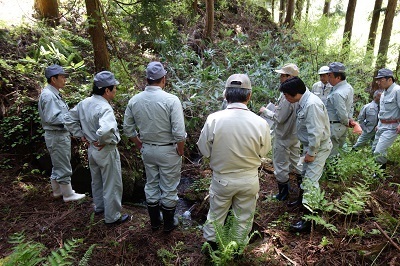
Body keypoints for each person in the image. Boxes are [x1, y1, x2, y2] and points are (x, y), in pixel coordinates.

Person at [197, 74, 271, 250]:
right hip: (249, 179)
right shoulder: (260, 122)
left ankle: (212, 251)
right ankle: (236, 250)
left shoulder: (213, 119)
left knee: (216, 215)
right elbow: (264, 151)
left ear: (225, 95)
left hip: (222, 178)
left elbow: (204, 149)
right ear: (249, 96)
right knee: (244, 217)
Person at [123, 61, 186, 233]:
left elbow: (128, 129)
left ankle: (155, 223)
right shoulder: (171, 100)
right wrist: (180, 149)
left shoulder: (134, 100)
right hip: (168, 150)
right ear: (163, 79)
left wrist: (138, 144)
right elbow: (179, 133)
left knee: (151, 184)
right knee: (169, 187)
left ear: (146, 79)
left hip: (148, 149)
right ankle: (168, 225)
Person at [63, 71, 130, 226]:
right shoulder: (105, 108)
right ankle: (112, 217)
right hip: (105, 149)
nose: (115, 90)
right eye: (114, 88)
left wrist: (81, 135)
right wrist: (101, 140)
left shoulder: (84, 103)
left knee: (97, 180)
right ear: (107, 90)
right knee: (111, 183)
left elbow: (67, 118)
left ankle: (99, 207)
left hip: (92, 149)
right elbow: (106, 130)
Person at [279, 77, 332, 233]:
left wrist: (312, 153)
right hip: (310, 146)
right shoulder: (303, 101)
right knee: (303, 174)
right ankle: (303, 202)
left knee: (310, 181)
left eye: (286, 95)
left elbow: (316, 131)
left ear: (293, 94)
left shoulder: (312, 104)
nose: (285, 98)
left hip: (318, 148)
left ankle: (309, 219)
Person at [38, 64, 85, 202]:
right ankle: (68, 194)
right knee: (63, 164)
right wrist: (72, 116)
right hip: (57, 135)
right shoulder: (49, 96)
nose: (65, 79)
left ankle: (58, 191)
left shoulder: (52, 94)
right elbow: (53, 118)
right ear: (53, 79)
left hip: (56, 135)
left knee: (58, 163)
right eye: (62, 77)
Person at [259, 63, 302, 202]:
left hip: (284, 135)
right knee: (296, 162)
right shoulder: (299, 92)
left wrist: (265, 111)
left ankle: (283, 195)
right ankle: (302, 190)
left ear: (289, 77)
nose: (280, 77)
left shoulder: (287, 96)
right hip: (295, 135)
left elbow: (279, 118)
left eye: (283, 75)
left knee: (280, 165)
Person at [371, 68, 400, 169]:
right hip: (382, 125)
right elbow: (383, 111)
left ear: (390, 79)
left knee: (379, 151)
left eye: (381, 80)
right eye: (377, 80)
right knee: (374, 149)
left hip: (392, 126)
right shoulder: (383, 93)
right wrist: (379, 125)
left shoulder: (397, 90)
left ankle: (380, 173)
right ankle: (379, 171)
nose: (378, 82)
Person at [325, 62, 355, 157]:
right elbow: (351, 106)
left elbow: (341, 112)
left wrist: (346, 121)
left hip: (335, 125)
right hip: (342, 126)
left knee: (331, 152)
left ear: (338, 77)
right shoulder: (348, 87)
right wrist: (349, 120)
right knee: (338, 151)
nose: (328, 78)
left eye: (330, 76)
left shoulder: (338, 93)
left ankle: (330, 171)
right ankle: (336, 170)